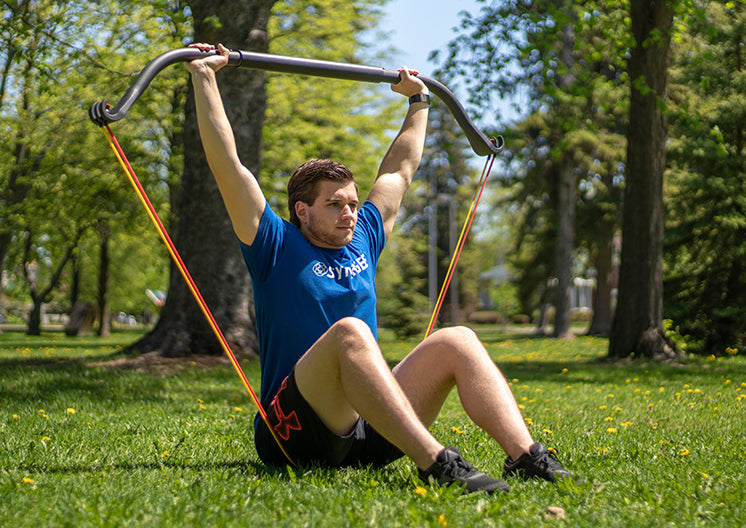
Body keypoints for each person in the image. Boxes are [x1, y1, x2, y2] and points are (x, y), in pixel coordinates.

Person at [186, 43, 578, 494]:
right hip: (294, 433)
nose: (349, 213)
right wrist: (205, 76)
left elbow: (399, 172)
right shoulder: (274, 244)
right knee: (350, 332)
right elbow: (228, 166)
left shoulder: (364, 238)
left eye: (353, 203)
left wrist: (419, 100)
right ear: (302, 211)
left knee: (458, 339)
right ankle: (437, 463)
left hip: (371, 428)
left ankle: (527, 457)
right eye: (334, 204)